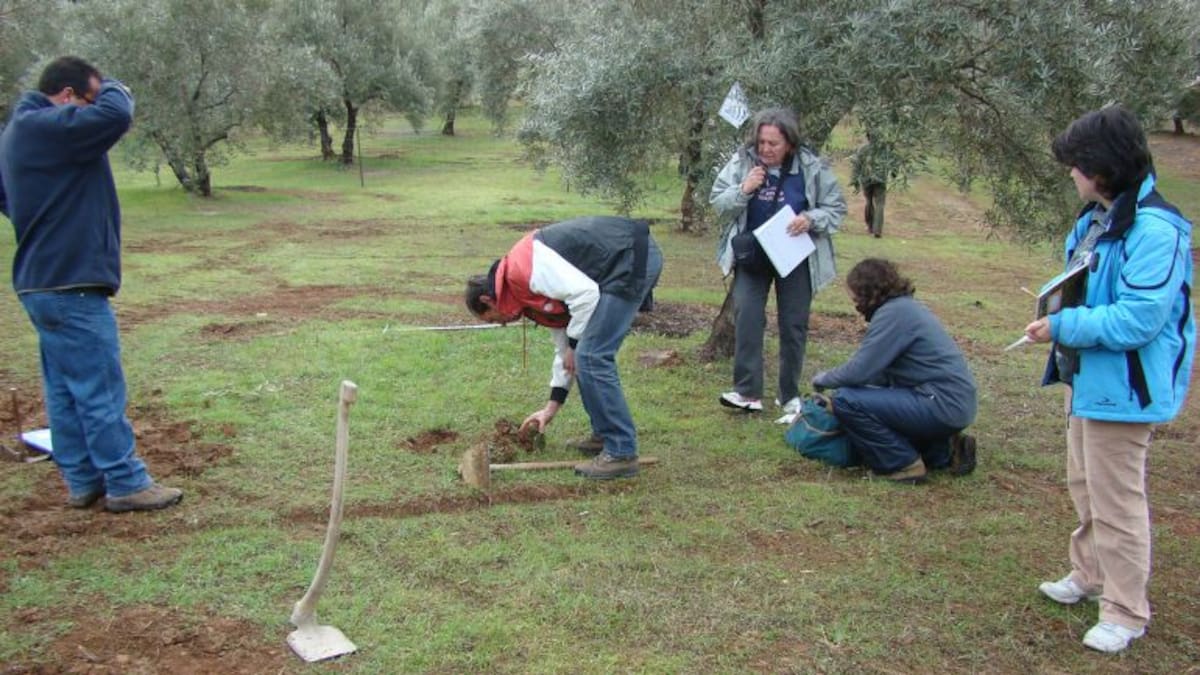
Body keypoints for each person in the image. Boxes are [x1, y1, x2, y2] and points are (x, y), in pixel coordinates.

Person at [1024, 105, 1194, 654]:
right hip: (1087, 376)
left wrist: (1063, 322)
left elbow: (1139, 318)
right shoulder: (1098, 218)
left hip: (1126, 387)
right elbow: (1088, 281)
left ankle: (1125, 610)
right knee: (1085, 484)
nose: (1070, 173)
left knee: (1118, 500)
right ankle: (1089, 574)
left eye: (1075, 163)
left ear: (1102, 165)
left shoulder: (1157, 230)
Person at [0, 56, 183, 513]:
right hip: (70, 283)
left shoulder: (20, 134)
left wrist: (44, 218)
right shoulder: (44, 127)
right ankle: (124, 481)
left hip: (43, 282)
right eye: (89, 99)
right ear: (67, 98)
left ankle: (82, 480)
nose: (95, 109)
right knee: (99, 386)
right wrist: (113, 86)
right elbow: (118, 114)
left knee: (65, 390)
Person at [464, 216, 662, 480]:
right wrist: (551, 408)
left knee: (591, 355)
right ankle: (604, 436)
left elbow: (586, 295)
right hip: (619, 263)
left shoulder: (524, 272)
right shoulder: (525, 294)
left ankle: (621, 453)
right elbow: (564, 351)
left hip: (631, 257)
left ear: (488, 300)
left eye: (492, 319)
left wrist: (575, 345)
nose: (500, 324)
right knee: (583, 355)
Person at [711, 107, 846, 418]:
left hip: (795, 257)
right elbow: (718, 202)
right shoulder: (743, 161)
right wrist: (744, 190)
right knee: (746, 316)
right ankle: (747, 393)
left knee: (794, 324)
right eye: (761, 143)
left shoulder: (811, 166)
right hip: (753, 256)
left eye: (773, 144)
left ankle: (788, 395)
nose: (766, 149)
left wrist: (810, 219)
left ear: (790, 145)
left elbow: (835, 209)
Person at [811, 258, 978, 483]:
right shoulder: (907, 308)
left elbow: (860, 370)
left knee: (846, 400)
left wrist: (824, 379)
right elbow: (878, 375)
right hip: (953, 401)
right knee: (861, 398)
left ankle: (902, 464)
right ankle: (944, 451)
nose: (854, 304)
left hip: (941, 403)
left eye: (855, 297)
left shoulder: (894, 314)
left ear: (867, 292)